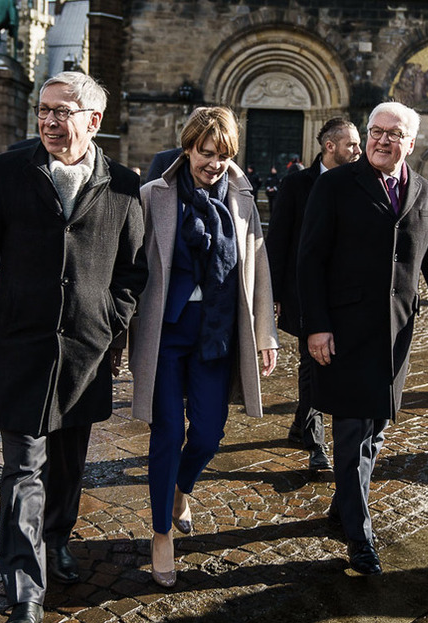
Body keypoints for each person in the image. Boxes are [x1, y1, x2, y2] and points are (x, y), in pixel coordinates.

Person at [0, 71, 147, 623]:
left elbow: (132, 271)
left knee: (70, 465)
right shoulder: (7, 171)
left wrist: (110, 321)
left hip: (86, 350)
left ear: (93, 120)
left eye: (63, 111)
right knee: (22, 468)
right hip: (20, 345)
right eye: (44, 111)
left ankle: (56, 538)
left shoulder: (124, 184)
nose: (50, 121)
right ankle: (26, 590)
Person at [298, 101, 428, 575]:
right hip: (345, 331)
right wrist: (316, 325)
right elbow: (309, 259)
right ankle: (359, 535)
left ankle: (341, 507)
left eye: (394, 134)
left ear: (410, 143)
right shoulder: (334, 185)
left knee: (375, 429)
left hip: (396, 332)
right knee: (351, 433)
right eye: (376, 131)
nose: (381, 140)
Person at [128, 106, 278, 588]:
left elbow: (258, 271)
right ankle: (159, 534)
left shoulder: (242, 201)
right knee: (167, 433)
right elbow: (132, 267)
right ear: (188, 146)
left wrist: (264, 335)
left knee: (210, 434)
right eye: (205, 152)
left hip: (216, 332)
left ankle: (180, 490)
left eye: (222, 155)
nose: (212, 163)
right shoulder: (154, 195)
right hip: (166, 333)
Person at [267, 117, 361, 470]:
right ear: (329, 146)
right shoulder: (295, 185)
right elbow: (278, 241)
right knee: (314, 362)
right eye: (351, 144)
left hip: (344, 295)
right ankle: (316, 443)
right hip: (303, 291)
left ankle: (298, 425)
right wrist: (274, 294)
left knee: (327, 362)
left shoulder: (360, 182)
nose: (358, 149)